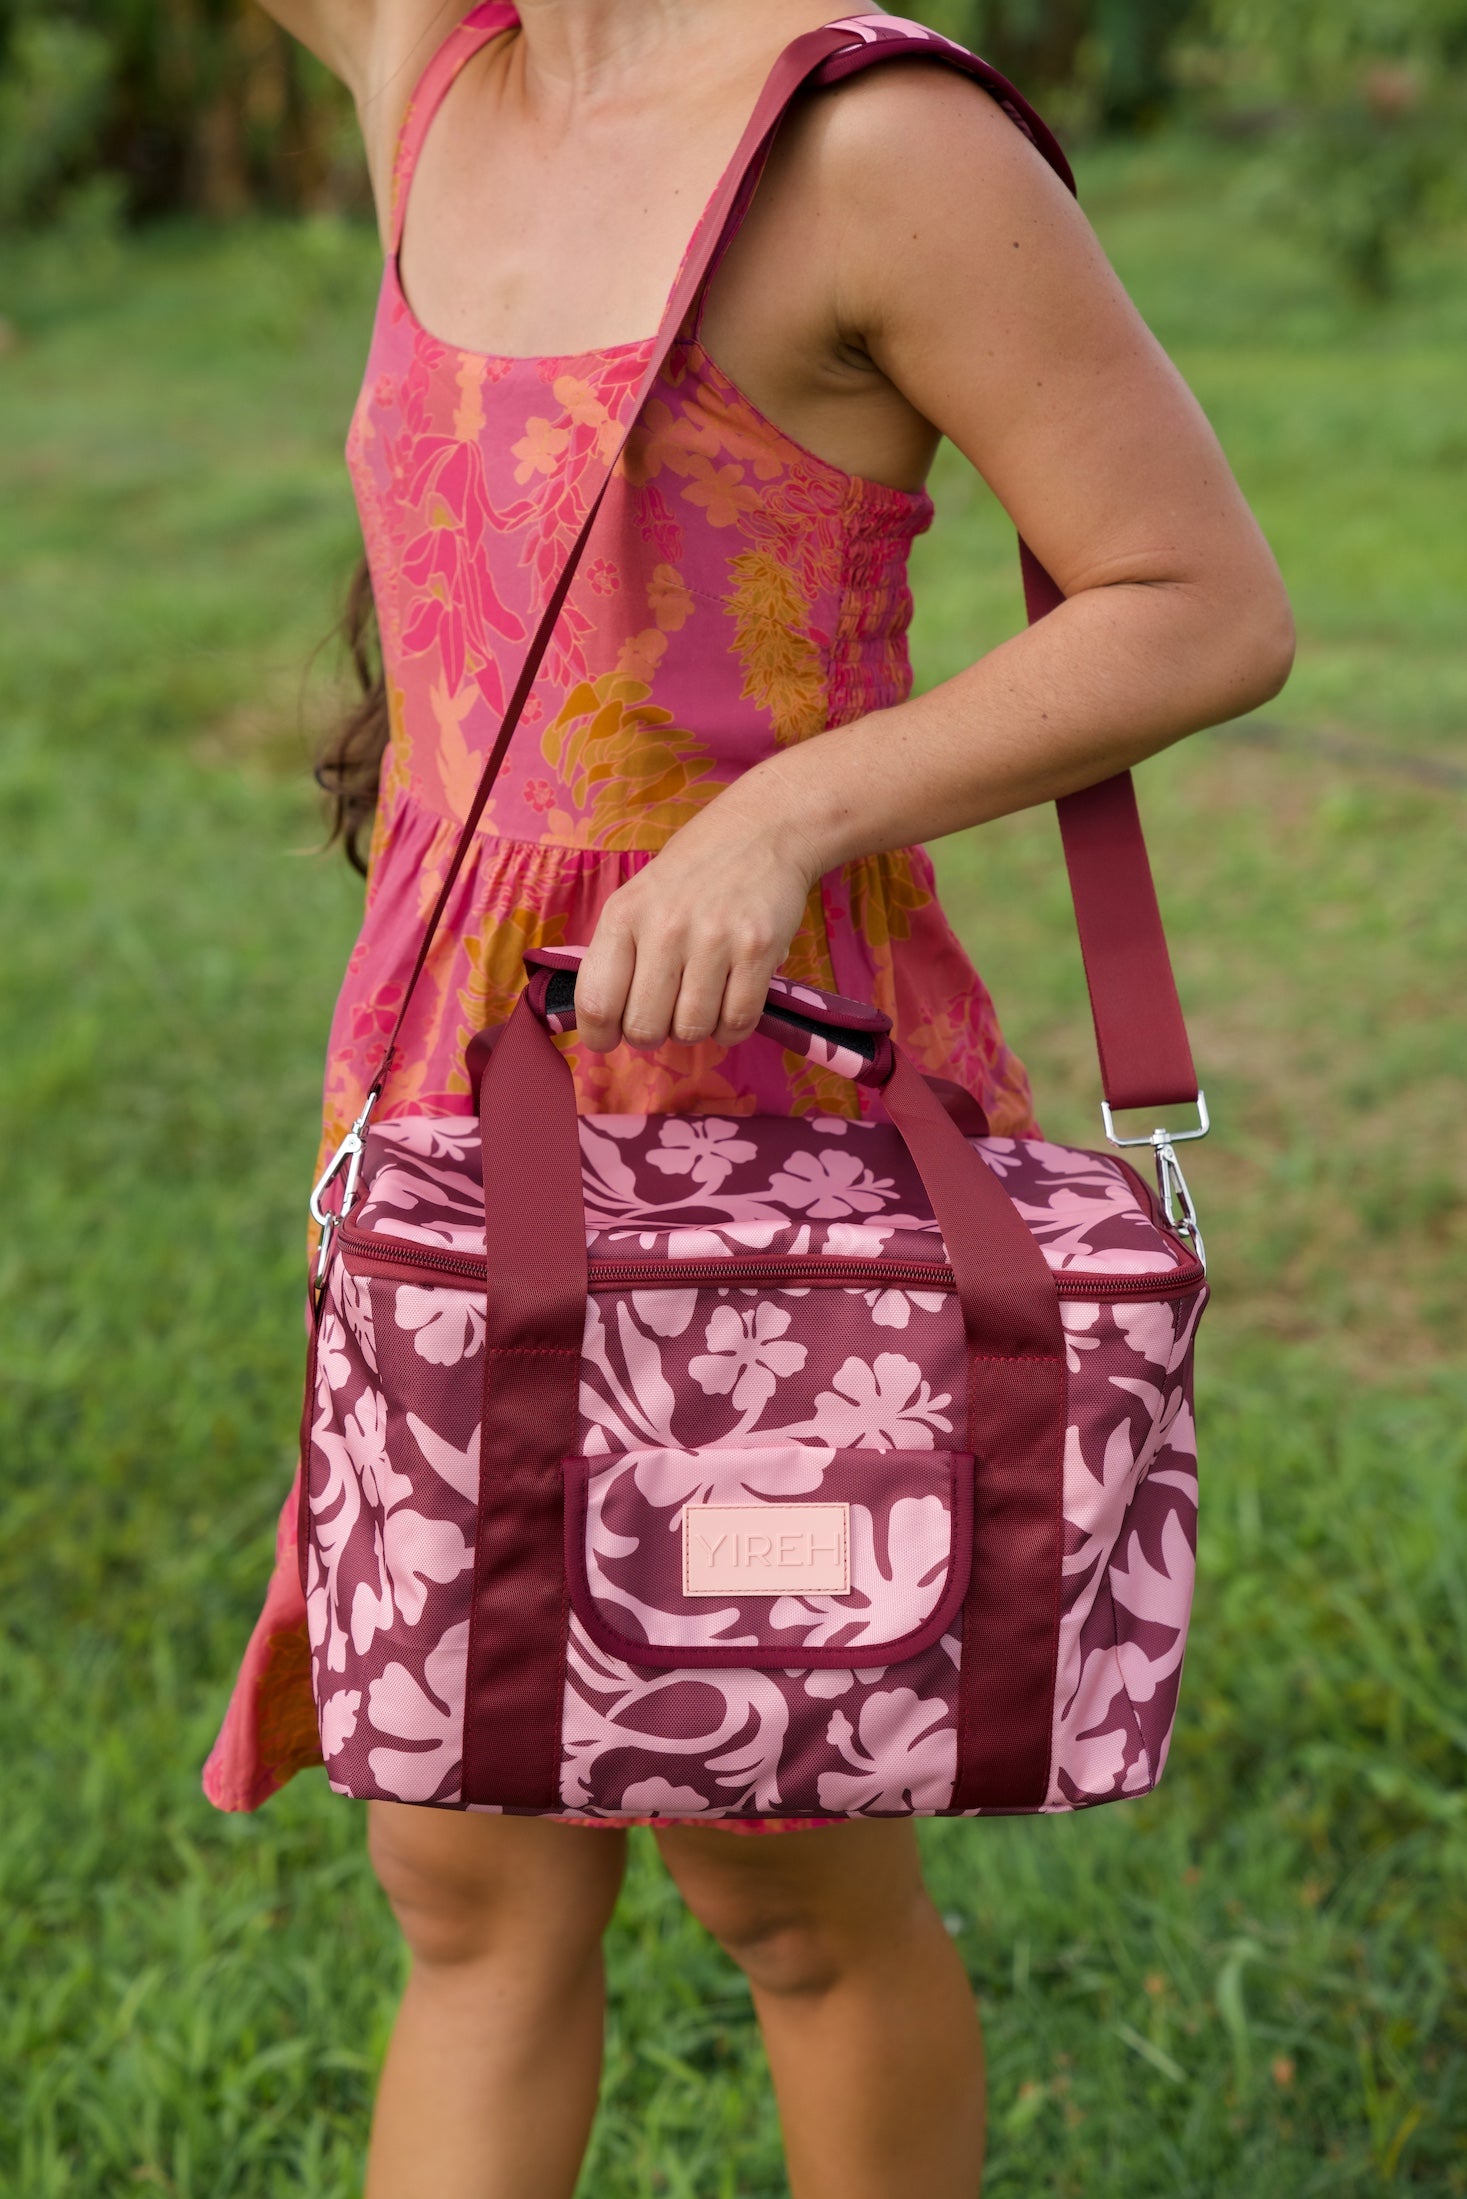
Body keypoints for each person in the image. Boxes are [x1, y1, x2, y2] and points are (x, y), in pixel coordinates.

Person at [203, 3, 1294, 2192]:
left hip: (770, 1110)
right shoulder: (435, 59)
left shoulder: (872, 144)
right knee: (459, 1852)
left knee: (783, 1874)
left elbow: (1196, 603)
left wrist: (782, 814)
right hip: (446, 1079)